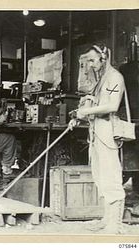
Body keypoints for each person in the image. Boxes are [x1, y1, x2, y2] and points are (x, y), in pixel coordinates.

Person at [76, 44, 126, 234]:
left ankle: (116, 225)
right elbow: (95, 102)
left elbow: (112, 105)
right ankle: (107, 219)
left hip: (107, 130)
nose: (89, 65)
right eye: (87, 61)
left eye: (92, 60)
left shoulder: (114, 77)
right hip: (95, 130)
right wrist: (79, 115)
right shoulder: (101, 79)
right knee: (99, 176)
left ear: (103, 58)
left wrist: (86, 111)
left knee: (111, 176)